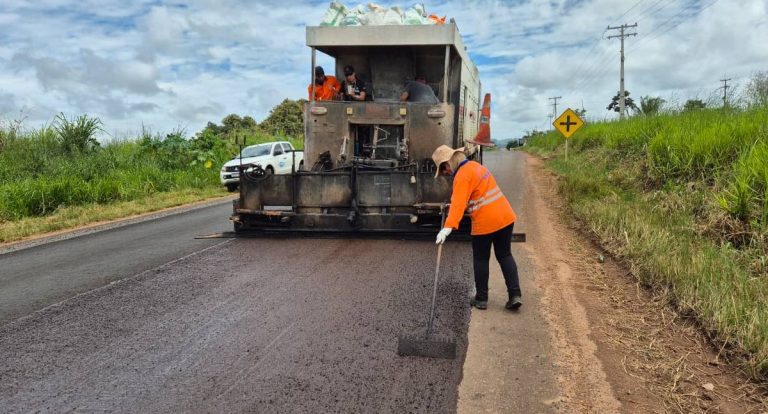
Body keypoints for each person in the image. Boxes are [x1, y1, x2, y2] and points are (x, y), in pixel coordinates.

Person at [432, 145, 522, 311]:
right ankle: (515, 295)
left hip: (485, 222)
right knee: (505, 255)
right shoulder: (476, 167)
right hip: (505, 217)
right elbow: (475, 194)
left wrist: (447, 227)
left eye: (443, 169)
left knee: (481, 259)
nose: (444, 173)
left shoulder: (461, 177)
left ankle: (481, 299)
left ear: (448, 163)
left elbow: (459, 204)